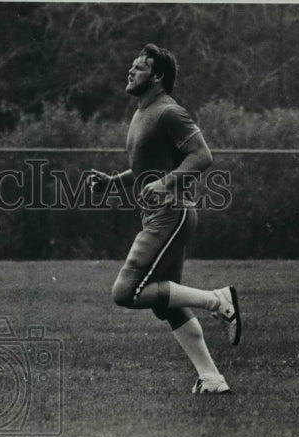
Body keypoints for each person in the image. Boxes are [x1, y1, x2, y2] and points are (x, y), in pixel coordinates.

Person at [89, 43, 241, 394]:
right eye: (132, 65)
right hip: (160, 214)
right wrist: (113, 182)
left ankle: (218, 301)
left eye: (139, 68)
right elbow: (147, 169)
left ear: (157, 77)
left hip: (170, 214)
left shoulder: (169, 112)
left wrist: (168, 182)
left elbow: (203, 156)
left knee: (126, 292)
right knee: (167, 306)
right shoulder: (143, 112)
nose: (130, 71)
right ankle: (212, 379)